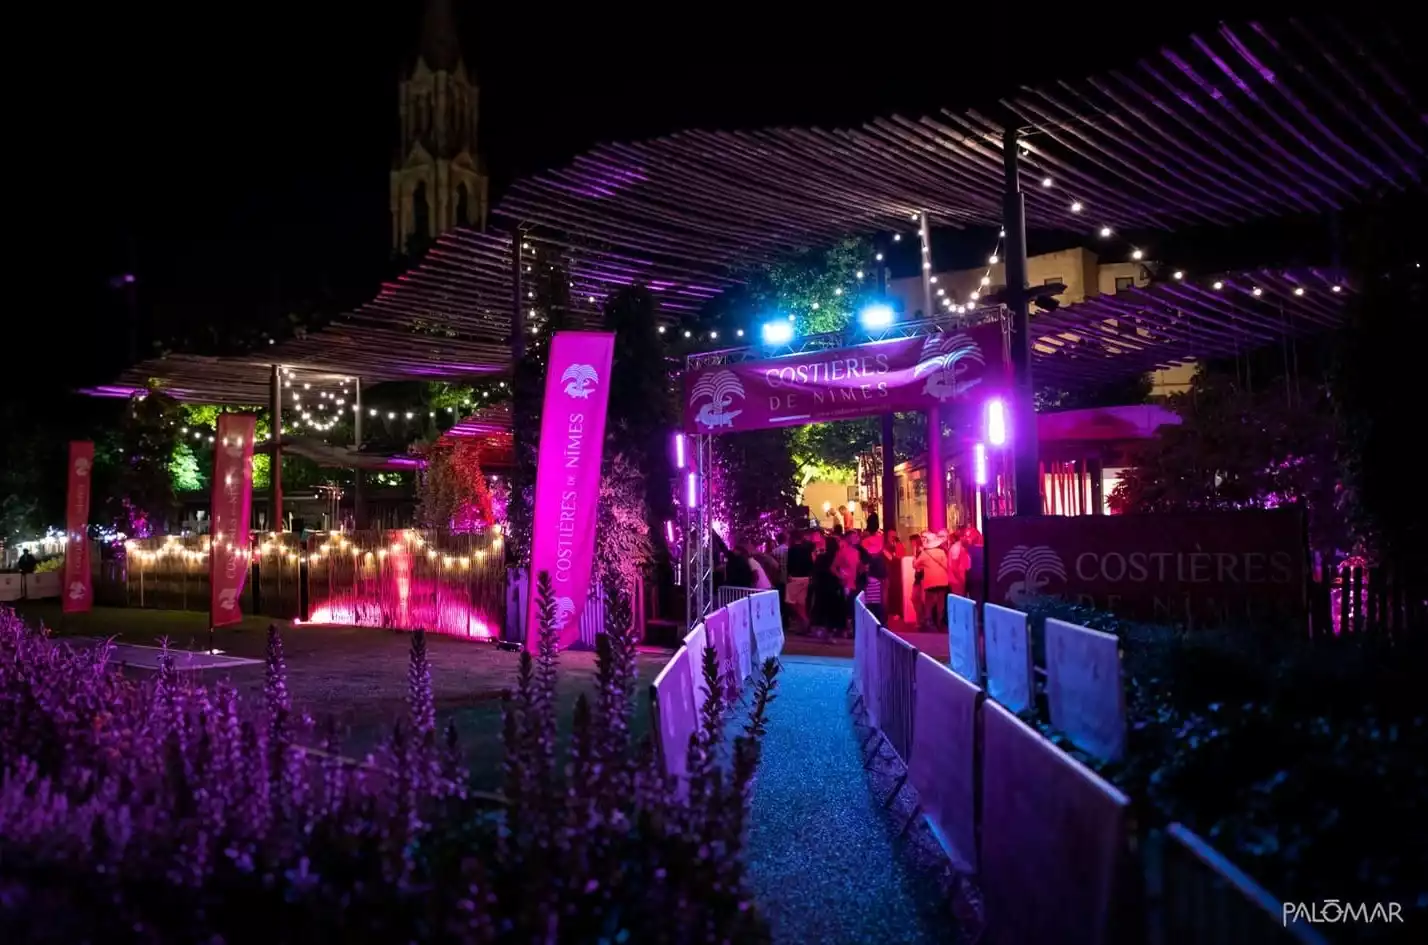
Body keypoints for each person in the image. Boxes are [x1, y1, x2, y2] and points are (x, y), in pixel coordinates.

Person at [810, 535, 847, 638]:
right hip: (834, 586)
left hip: (822, 586)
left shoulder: (821, 557)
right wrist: (841, 578)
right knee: (834, 608)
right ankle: (833, 629)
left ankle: (819, 628)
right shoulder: (838, 556)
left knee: (821, 607)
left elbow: (816, 570)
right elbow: (838, 570)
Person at [914, 530, 952, 630]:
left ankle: (929, 621)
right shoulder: (942, 552)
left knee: (929, 603)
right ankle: (940, 622)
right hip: (943, 581)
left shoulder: (924, 554)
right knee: (941, 603)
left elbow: (915, 565)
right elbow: (947, 565)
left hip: (930, 582)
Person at [784, 530, 815, 630]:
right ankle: (803, 625)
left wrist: (788, 574)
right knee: (801, 602)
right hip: (805, 577)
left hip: (795, 577)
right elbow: (811, 564)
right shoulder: (807, 550)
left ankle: (805, 620)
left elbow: (789, 564)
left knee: (790, 601)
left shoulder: (791, 550)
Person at [859, 530, 889, 623]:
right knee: (879, 610)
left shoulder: (865, 559)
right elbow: (885, 576)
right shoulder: (880, 560)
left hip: (869, 587)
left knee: (870, 610)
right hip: (878, 587)